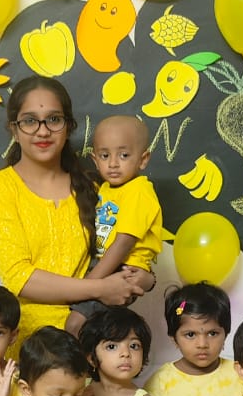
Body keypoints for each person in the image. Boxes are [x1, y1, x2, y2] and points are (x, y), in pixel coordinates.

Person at [0, 75, 146, 348]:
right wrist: (101, 289)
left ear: (68, 126)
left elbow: (126, 250)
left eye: (54, 119)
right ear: (14, 130)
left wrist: (143, 278)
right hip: (29, 345)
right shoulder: (1, 188)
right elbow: (19, 278)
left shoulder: (96, 188)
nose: (43, 131)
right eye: (30, 121)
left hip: (90, 340)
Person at [64, 115, 166, 336]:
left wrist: (89, 284)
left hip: (122, 268)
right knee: (97, 332)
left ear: (143, 159)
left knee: (74, 325)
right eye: (104, 155)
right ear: (94, 159)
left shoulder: (139, 191)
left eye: (124, 155)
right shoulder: (106, 189)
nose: (113, 164)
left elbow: (122, 244)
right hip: (106, 264)